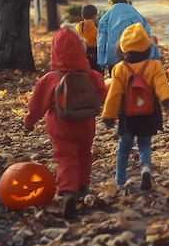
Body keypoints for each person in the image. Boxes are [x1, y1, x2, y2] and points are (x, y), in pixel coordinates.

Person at [23, 25, 107, 218]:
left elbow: (36, 106)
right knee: (85, 153)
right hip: (86, 123)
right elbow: (102, 93)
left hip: (61, 124)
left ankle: (68, 190)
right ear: (81, 50)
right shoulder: (92, 75)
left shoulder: (50, 79)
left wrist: (29, 122)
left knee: (66, 157)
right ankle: (83, 185)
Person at [101, 23, 169, 192]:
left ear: (122, 48)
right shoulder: (154, 65)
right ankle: (146, 167)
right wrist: (167, 102)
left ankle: (119, 181)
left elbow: (114, 94)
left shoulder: (119, 69)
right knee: (144, 143)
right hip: (148, 113)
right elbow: (161, 85)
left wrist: (108, 117)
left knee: (124, 147)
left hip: (128, 115)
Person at [97, 0, 160, 75]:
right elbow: (146, 35)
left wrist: (102, 62)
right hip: (134, 55)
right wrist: (154, 55)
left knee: (115, 81)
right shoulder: (135, 14)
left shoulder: (106, 17)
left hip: (114, 56)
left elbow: (101, 42)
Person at [75, 4, 101, 72]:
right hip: (93, 59)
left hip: (80, 57)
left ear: (82, 16)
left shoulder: (77, 28)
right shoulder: (96, 31)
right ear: (95, 16)